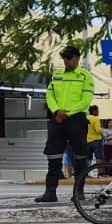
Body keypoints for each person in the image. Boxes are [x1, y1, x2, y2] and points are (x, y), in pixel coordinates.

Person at [35, 46, 95, 203]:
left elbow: (86, 100)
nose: (67, 61)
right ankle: (50, 192)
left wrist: (68, 113)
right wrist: (56, 111)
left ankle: (78, 192)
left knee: (80, 156)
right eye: (65, 59)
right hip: (58, 119)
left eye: (69, 58)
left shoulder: (85, 76)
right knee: (53, 155)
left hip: (76, 119)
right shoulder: (57, 75)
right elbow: (50, 95)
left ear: (77, 58)